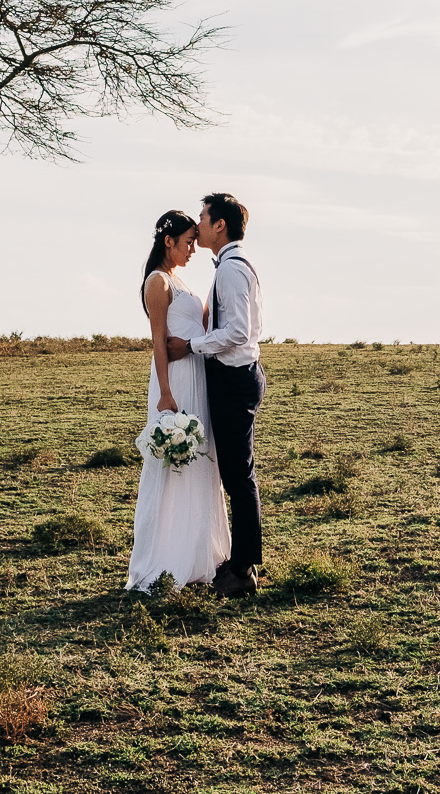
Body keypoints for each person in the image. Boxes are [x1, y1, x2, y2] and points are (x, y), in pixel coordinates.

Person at [124, 209, 230, 591]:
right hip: (176, 380)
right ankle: (166, 558)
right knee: (175, 464)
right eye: (187, 242)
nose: (192, 248)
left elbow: (196, 325)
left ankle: (200, 553)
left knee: (201, 461)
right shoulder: (157, 281)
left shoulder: (179, 279)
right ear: (168, 241)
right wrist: (165, 393)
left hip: (196, 375)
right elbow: (158, 341)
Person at [166, 191, 264, 598]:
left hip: (235, 379)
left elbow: (239, 332)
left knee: (238, 476)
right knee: (236, 474)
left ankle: (242, 568)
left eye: (204, 217)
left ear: (219, 224)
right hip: (237, 377)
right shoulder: (230, 267)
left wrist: (191, 347)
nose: (199, 224)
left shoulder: (231, 270)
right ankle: (241, 561)